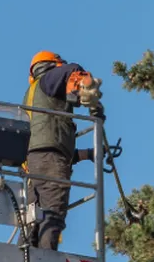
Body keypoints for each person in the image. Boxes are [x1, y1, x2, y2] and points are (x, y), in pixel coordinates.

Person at [22, 50, 100, 250]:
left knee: (32, 220)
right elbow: (71, 69)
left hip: (33, 165)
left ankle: (25, 259)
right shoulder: (48, 80)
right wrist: (88, 89)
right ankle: (47, 261)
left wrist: (88, 154)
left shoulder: (31, 96)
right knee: (52, 213)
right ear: (52, 65)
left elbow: (50, 145)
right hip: (48, 160)